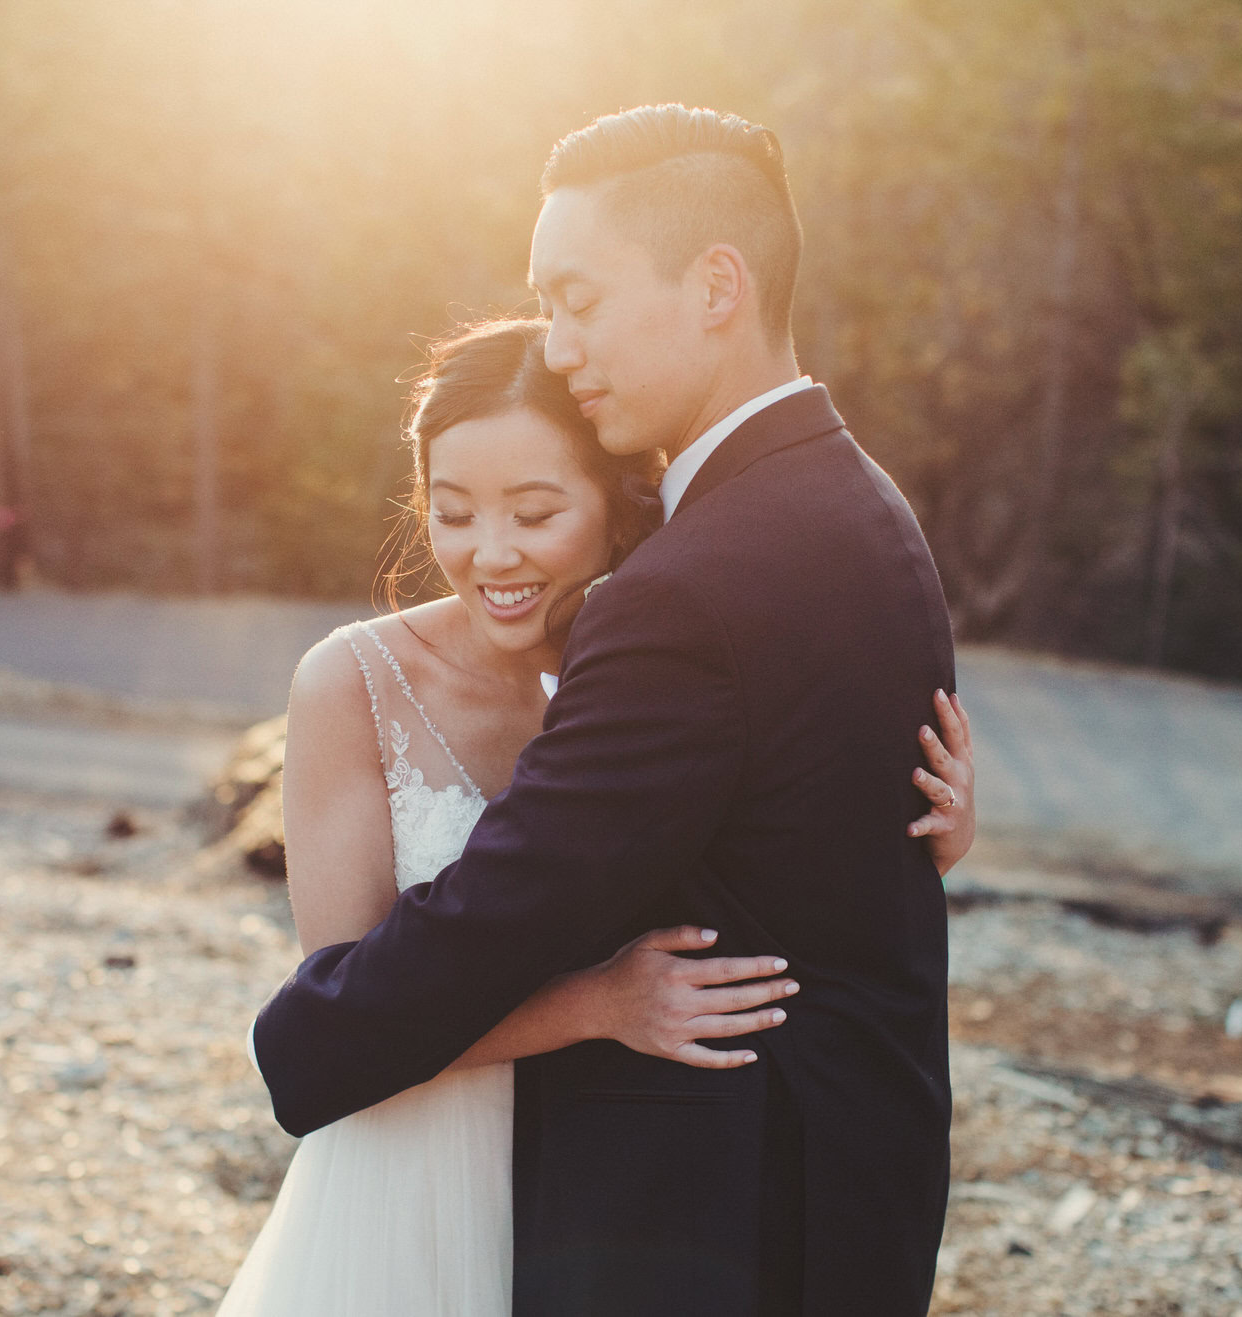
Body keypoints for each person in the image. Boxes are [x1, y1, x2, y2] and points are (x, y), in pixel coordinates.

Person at [252, 104, 963, 1316]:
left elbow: (505, 910)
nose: (559, 339)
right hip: (848, 1195)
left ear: (715, 286)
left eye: (577, 297)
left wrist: (309, 1037)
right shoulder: (865, 505)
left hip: (706, 1222)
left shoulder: (685, 587)